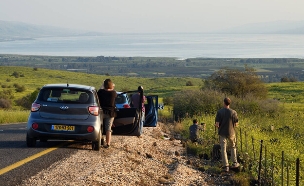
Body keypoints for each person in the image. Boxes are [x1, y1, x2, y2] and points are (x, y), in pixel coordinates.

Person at [215, 97, 240, 172]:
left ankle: (226, 166)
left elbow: (217, 124)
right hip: (231, 132)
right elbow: (236, 124)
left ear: (224, 103)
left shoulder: (219, 112)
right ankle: (235, 162)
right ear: (229, 103)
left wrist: (219, 126)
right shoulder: (234, 112)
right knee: (233, 146)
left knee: (223, 149)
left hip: (222, 132)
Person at [97, 79, 117, 148]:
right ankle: (108, 143)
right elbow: (112, 88)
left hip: (101, 112)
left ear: (104, 85)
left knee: (99, 127)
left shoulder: (101, 92)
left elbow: (98, 91)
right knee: (108, 128)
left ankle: (100, 140)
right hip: (110, 113)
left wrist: (102, 85)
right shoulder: (113, 93)